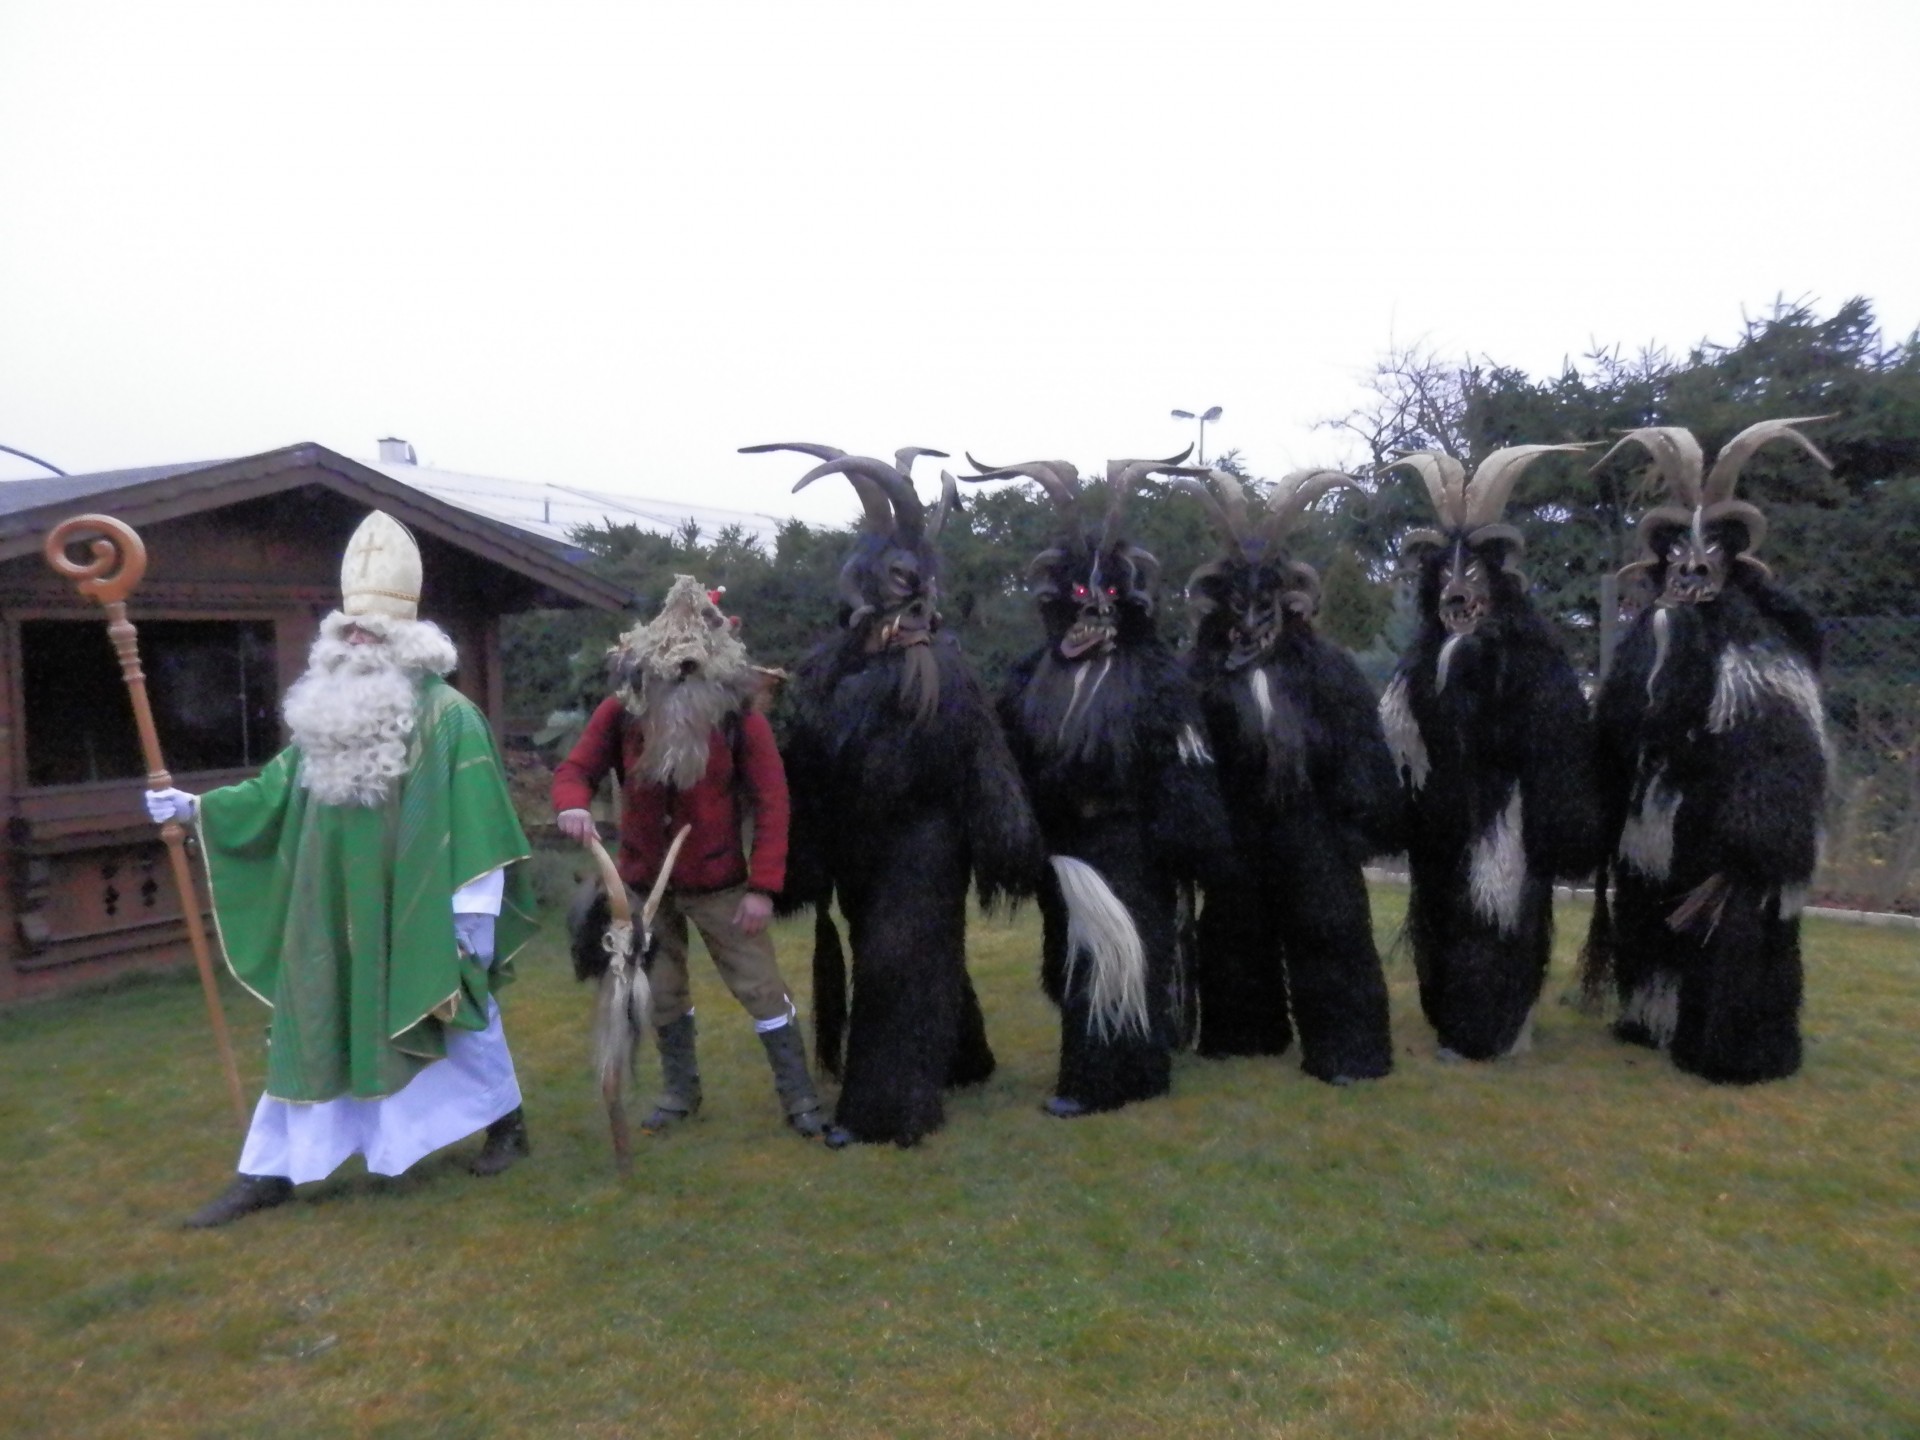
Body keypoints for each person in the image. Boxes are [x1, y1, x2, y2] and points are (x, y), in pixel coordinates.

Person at [149, 511, 539, 1229]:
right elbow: (273, 791)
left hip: (418, 901)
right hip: (327, 905)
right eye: (348, 628)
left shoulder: (449, 718)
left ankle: (506, 1126)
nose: (357, 639)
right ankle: (269, 1171)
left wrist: (472, 915)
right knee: (313, 1017)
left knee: (456, 1016)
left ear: (407, 638)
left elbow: (478, 817)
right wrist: (195, 809)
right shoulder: (325, 717)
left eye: (373, 631)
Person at [551, 575, 825, 1137]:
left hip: (721, 883)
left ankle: (799, 1098)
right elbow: (575, 770)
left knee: (761, 988)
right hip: (643, 884)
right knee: (663, 990)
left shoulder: (739, 718)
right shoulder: (622, 712)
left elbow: (772, 802)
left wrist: (763, 888)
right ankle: (681, 1093)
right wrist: (572, 805)